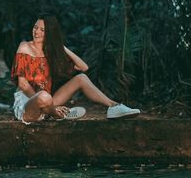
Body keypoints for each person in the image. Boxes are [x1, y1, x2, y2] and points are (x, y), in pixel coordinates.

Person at [11, 13, 140, 124]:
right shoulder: (24, 47)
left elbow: (83, 67)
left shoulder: (51, 52)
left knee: (81, 78)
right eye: (35, 27)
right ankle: (55, 113)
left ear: (51, 33)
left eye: (42, 30)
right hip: (28, 105)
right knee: (44, 96)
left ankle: (114, 106)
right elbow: (23, 84)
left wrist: (60, 46)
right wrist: (48, 105)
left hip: (48, 103)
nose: (36, 32)